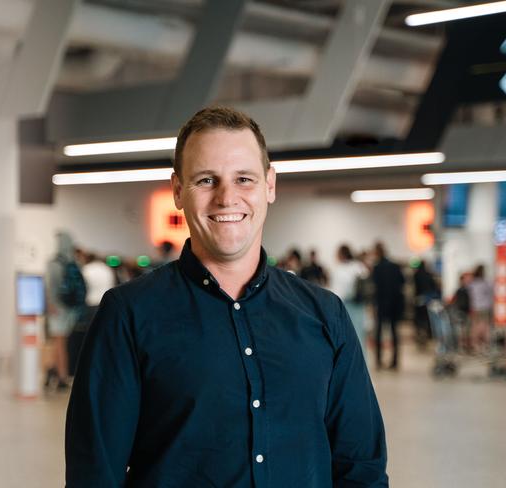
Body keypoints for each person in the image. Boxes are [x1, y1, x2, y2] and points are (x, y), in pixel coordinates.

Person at [65, 106, 388, 487]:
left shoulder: (324, 315)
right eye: (206, 180)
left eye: (244, 179)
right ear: (177, 190)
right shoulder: (128, 315)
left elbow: (360, 466)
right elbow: (94, 473)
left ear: (270, 185)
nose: (226, 197)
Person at [45, 231, 87, 391]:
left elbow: (51, 286)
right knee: (62, 343)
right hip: (70, 309)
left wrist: (50, 305)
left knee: (59, 343)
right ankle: (56, 372)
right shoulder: (73, 261)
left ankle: (59, 375)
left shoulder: (54, 263)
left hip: (57, 309)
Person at [371, 241, 405, 370]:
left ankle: (379, 361)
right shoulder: (395, 266)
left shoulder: (377, 267)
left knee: (378, 333)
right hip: (395, 305)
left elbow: (374, 287)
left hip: (381, 305)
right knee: (394, 333)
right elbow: (402, 282)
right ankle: (395, 361)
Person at [331, 244, 369, 353]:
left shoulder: (340, 270)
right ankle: (362, 363)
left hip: (346, 307)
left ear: (341, 254)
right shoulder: (359, 266)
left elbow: (338, 292)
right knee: (360, 335)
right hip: (360, 306)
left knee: (348, 337)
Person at [412, 260, 439, 346]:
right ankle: (428, 333)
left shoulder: (416, 275)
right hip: (428, 299)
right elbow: (433, 287)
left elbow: (416, 288)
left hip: (419, 299)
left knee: (419, 318)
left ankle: (420, 332)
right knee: (427, 317)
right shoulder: (429, 275)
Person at [467, 264, 493, 354]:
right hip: (485, 307)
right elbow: (492, 293)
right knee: (486, 326)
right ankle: (486, 346)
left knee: (475, 327)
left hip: (475, 307)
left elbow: (470, 296)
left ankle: (476, 345)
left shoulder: (472, 284)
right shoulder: (486, 283)